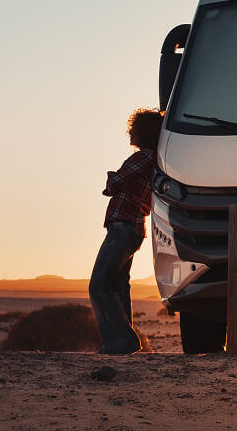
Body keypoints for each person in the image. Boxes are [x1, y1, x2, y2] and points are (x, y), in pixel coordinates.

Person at [89, 108, 163, 354]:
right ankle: (125, 342)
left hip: (123, 226)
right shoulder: (156, 160)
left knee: (99, 284)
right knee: (120, 285)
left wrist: (112, 177)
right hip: (133, 227)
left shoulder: (143, 157)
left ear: (144, 131)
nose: (129, 131)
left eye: (133, 127)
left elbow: (115, 183)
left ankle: (120, 341)